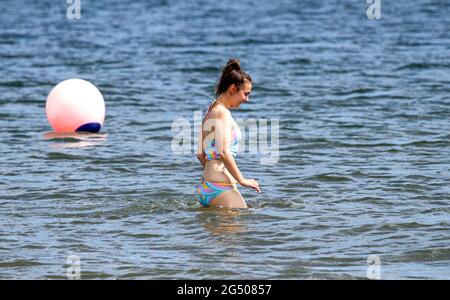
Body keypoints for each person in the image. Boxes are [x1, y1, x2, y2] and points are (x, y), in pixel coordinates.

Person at [196, 58, 261, 209]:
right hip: (221, 188)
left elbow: (199, 154)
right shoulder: (222, 113)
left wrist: (212, 175)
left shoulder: (210, 111)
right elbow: (224, 152)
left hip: (208, 187)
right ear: (232, 89)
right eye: (246, 94)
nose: (247, 99)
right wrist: (242, 180)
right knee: (243, 229)